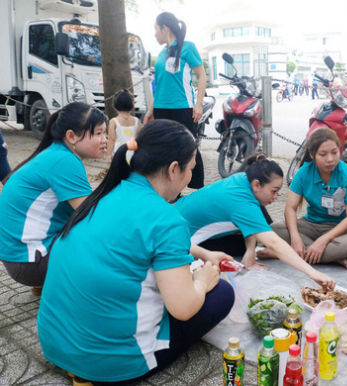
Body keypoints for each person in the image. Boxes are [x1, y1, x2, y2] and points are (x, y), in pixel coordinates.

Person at [37, 120, 235, 385]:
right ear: (174, 169)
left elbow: (138, 240)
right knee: (222, 293)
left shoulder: (105, 194)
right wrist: (202, 281)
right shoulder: (167, 219)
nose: (191, 178)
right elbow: (184, 309)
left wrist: (201, 253)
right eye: (191, 169)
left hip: (55, 344)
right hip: (108, 364)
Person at [174, 154, 336, 289]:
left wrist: (250, 251)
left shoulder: (244, 179)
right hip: (181, 239)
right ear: (257, 184)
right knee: (255, 240)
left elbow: (251, 217)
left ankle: (257, 249)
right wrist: (312, 273)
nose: (276, 197)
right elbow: (274, 242)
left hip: (179, 214)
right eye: (274, 191)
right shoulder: (242, 203)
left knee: (255, 228)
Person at [0, 103, 107, 292]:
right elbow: (96, 217)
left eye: (104, 133)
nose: (104, 140)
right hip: (30, 263)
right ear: (71, 136)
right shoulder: (65, 161)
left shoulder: (53, 153)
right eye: (98, 133)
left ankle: (49, 283)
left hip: (17, 257)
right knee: (107, 239)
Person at [261, 128, 347, 269]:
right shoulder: (304, 172)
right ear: (312, 155)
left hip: (339, 229)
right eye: (323, 154)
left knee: (346, 247)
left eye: (334, 152)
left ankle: (286, 252)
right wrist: (295, 237)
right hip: (311, 224)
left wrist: (323, 240)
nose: (330, 159)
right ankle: (326, 258)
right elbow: (290, 208)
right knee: (272, 230)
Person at [144, 12, 206, 189]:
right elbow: (160, 85)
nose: (155, 33)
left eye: (156, 29)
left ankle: (197, 189)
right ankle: (172, 189)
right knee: (166, 150)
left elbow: (201, 76)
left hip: (182, 107)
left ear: (165, 28)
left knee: (190, 148)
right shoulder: (163, 53)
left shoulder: (187, 47)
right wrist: (151, 110)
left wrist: (199, 104)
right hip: (161, 109)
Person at [106, 89, 142, 162]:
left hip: (119, 153)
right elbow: (140, 138)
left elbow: (111, 139)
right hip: (134, 152)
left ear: (114, 105)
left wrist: (109, 154)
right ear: (132, 105)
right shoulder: (136, 121)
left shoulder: (114, 121)